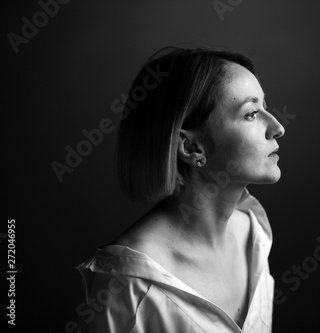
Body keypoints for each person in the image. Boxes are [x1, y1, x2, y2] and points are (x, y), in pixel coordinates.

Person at [76, 46, 285, 332]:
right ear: (190, 146)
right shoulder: (129, 282)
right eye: (250, 114)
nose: (277, 127)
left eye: (265, 107)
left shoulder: (254, 232)